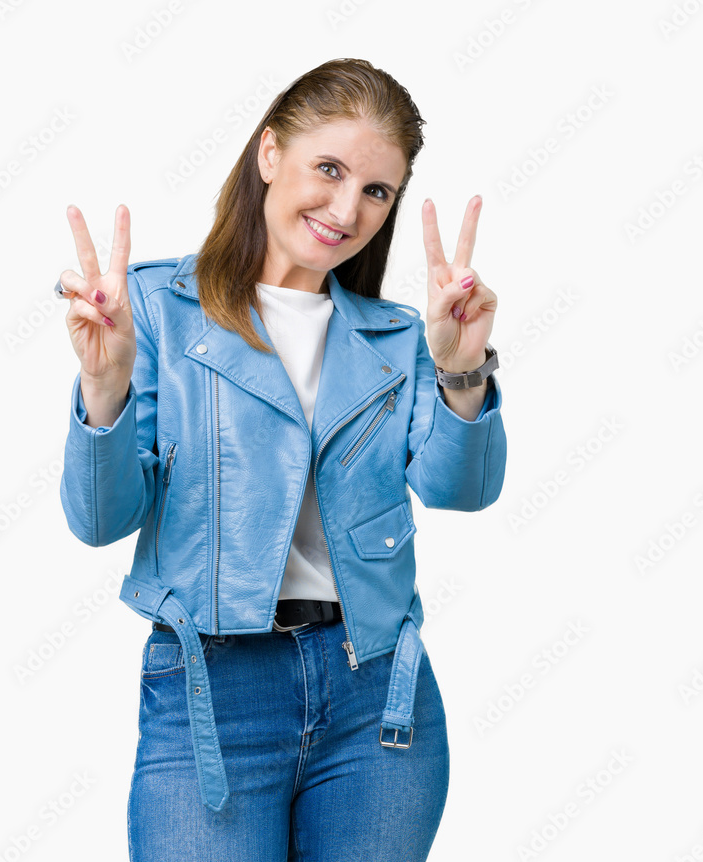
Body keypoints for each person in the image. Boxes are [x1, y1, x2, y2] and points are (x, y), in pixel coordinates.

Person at [55, 57, 506, 861]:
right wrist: (103, 386)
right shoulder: (154, 310)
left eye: (376, 190)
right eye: (328, 169)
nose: (347, 209)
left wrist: (461, 370)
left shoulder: (400, 336)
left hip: (377, 699)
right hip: (211, 691)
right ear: (270, 153)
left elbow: (459, 490)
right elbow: (99, 521)